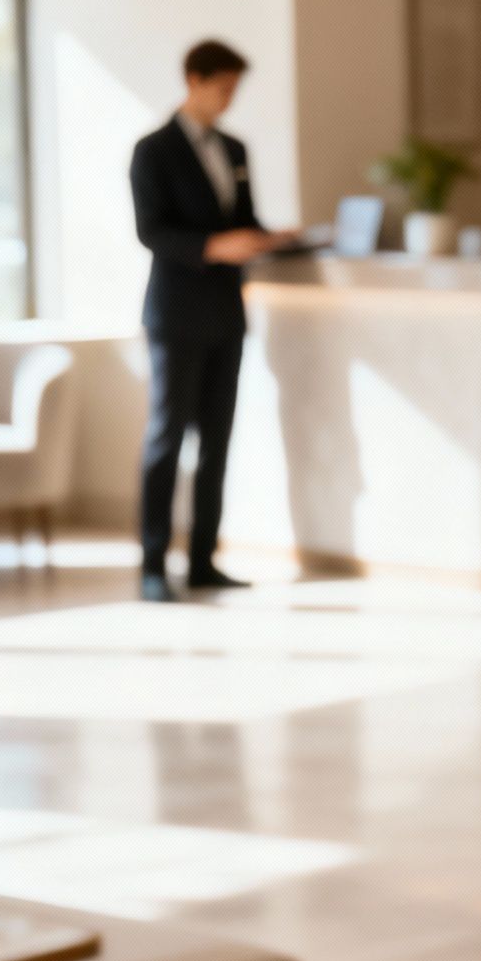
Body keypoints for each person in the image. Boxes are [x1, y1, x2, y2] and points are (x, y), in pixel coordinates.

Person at [129, 39, 296, 603]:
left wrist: (275, 239)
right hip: (175, 314)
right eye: (222, 87)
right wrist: (213, 247)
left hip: (227, 313)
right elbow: (152, 231)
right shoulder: (153, 151)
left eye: (234, 89)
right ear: (193, 80)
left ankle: (203, 560)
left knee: (218, 442)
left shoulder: (235, 148)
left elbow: (244, 219)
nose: (229, 99)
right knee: (167, 439)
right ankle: (153, 564)